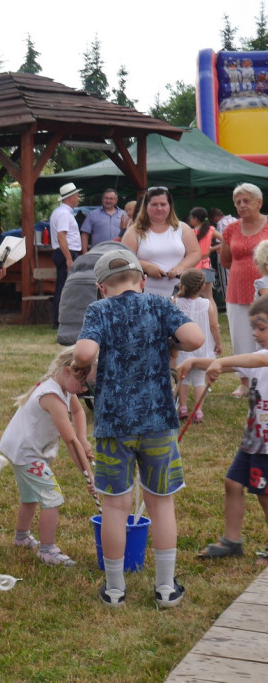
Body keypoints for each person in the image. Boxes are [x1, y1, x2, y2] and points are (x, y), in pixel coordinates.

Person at [73, 249, 203, 607]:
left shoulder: (99, 310)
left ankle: (114, 590)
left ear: (102, 288)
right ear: (142, 281)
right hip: (159, 421)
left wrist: (80, 362)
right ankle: (165, 588)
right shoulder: (159, 305)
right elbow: (194, 340)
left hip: (114, 425)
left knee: (115, 508)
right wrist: (170, 340)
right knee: (161, 505)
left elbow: (84, 354)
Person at [181, 295, 268, 562]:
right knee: (233, 483)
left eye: (262, 327)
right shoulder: (256, 356)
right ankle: (232, 541)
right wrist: (197, 363)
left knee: (264, 493)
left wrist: (220, 362)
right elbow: (233, 362)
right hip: (253, 440)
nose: (255, 333)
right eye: (253, 327)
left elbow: (259, 361)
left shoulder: (262, 358)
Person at [0, 346, 98, 567]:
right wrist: (88, 475)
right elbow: (70, 441)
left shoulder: (64, 387)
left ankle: (22, 536)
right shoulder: (51, 396)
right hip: (27, 454)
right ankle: (47, 550)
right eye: (83, 383)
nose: (83, 390)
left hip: (23, 450)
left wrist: (83, 439)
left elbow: (79, 413)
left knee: (30, 496)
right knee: (52, 498)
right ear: (68, 370)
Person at [221, 183, 268, 398]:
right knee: (240, 336)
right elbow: (225, 260)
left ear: (259, 202)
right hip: (238, 291)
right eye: (238, 202)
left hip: (266, 291)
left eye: (246, 200)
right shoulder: (230, 229)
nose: (241, 205)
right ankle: (244, 382)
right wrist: (244, 272)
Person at [122, 187, 200, 299]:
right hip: (144, 292)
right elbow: (124, 259)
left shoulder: (182, 228)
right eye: (154, 205)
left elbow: (195, 253)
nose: (159, 208)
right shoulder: (134, 231)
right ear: (146, 206)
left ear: (170, 206)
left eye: (163, 204)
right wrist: (146, 266)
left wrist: (181, 267)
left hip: (178, 291)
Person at [175, 269, 222, 425]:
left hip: (183, 349)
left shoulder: (175, 302)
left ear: (182, 285)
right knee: (199, 379)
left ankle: (182, 407)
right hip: (202, 349)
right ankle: (198, 410)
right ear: (202, 287)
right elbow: (214, 326)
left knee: (183, 378)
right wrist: (218, 343)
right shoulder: (207, 304)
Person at [50, 183, 84, 328]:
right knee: (66, 287)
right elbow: (61, 237)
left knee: (65, 286)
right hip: (66, 253)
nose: (78, 198)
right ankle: (60, 321)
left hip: (63, 252)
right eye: (76, 195)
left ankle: (61, 320)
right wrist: (69, 258)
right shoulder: (64, 214)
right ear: (70, 197)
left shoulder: (60, 212)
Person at [188, 207, 223, 301]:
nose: (190, 220)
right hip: (207, 265)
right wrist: (211, 249)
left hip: (193, 266)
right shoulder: (211, 230)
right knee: (209, 296)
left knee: (194, 296)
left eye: (190, 217)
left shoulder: (190, 232)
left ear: (195, 218)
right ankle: (212, 316)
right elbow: (226, 240)